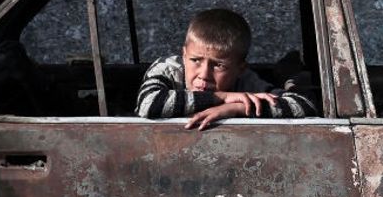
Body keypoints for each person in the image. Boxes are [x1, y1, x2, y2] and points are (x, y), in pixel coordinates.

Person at [135, 8, 317, 130]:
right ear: (184, 55)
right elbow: (147, 104)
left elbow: (304, 106)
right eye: (195, 60)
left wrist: (234, 108)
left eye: (218, 65)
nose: (204, 74)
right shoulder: (169, 69)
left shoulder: (245, 81)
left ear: (240, 68)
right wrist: (222, 97)